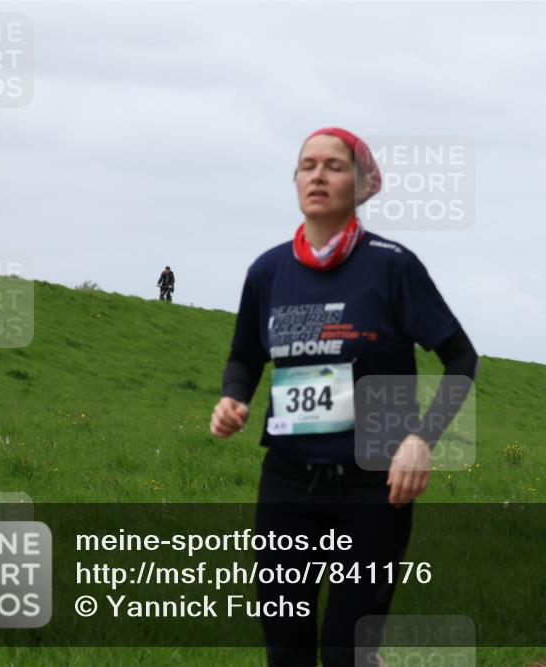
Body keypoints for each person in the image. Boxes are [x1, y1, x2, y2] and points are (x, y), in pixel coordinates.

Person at [209, 127, 478, 667]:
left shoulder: (391, 266)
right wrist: (232, 397)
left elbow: (461, 359)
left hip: (373, 489)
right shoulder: (268, 271)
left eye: (333, 165)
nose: (317, 174)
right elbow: (244, 355)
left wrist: (421, 440)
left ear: (362, 184)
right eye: (306, 165)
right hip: (287, 483)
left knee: (346, 653)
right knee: (287, 653)